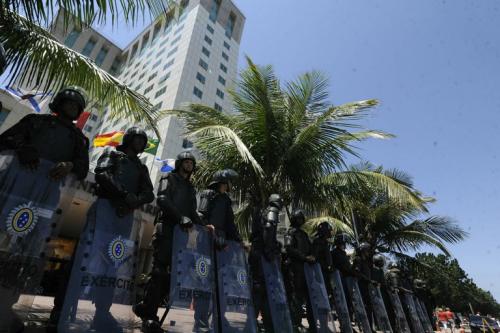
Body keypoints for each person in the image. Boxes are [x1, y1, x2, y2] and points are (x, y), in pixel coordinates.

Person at [0, 86, 89, 332]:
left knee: (25, 251)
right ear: (58, 103)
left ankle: (6, 305)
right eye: (68, 103)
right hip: (14, 185)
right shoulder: (35, 121)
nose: (71, 108)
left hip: (47, 194)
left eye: (76, 106)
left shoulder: (78, 138)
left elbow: (82, 167)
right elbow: (5, 139)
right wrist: (22, 147)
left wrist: (70, 164)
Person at [133, 150, 202, 332]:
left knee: (172, 276)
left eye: (191, 163)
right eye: (186, 162)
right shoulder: (168, 177)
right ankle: (149, 316)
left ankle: (144, 306)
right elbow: (162, 198)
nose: (189, 165)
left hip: (182, 234)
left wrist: (206, 226)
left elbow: (193, 212)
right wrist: (180, 217)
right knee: (159, 272)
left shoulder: (190, 187)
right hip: (167, 228)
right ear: (179, 163)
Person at [249, 194, 284, 333]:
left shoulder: (260, 211)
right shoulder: (272, 211)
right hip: (262, 256)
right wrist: (270, 251)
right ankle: (258, 323)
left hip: (256, 253)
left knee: (259, 290)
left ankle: (256, 322)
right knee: (261, 289)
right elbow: (269, 229)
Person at [284, 209, 316, 332]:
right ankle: (295, 324)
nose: (301, 221)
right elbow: (289, 248)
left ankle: (312, 324)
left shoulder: (304, 234)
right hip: (295, 268)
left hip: (306, 269)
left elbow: (310, 248)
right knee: (296, 297)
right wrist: (304, 257)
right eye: (299, 218)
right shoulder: (289, 233)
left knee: (308, 297)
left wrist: (313, 256)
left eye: (302, 219)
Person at [352, 242, 375, 331]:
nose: (368, 252)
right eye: (367, 250)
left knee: (369, 307)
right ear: (363, 251)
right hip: (360, 286)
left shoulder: (366, 262)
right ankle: (364, 327)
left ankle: (369, 326)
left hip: (366, 287)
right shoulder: (358, 259)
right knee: (363, 307)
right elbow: (357, 272)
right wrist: (367, 279)